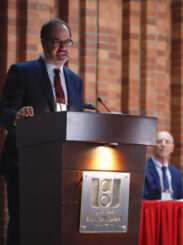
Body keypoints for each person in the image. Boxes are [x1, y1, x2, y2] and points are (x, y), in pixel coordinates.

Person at [0, 18, 83, 245]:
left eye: (68, 42)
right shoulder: (23, 71)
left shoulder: (75, 81)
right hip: (26, 161)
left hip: (64, 163)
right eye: (57, 42)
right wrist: (16, 118)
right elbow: (5, 109)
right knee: (24, 222)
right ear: (44, 42)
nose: (63, 48)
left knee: (57, 223)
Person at [143, 131, 183, 200]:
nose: (163, 144)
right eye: (159, 141)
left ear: (172, 148)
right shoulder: (143, 170)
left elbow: (181, 199)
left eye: (167, 142)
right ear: (153, 146)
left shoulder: (176, 173)